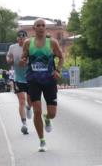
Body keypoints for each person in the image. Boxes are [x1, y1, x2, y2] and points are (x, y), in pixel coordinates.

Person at [20, 19, 64, 151]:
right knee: (37, 110)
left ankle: (47, 118)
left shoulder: (52, 42)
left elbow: (61, 57)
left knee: (52, 113)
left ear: (46, 28)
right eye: (38, 26)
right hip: (33, 80)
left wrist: (57, 70)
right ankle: (42, 140)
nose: (41, 28)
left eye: (43, 25)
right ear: (34, 28)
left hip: (49, 80)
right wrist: (23, 60)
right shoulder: (28, 43)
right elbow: (24, 57)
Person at [6, 30, 31, 133]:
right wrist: (9, 60)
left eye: (23, 37)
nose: (21, 39)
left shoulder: (31, 47)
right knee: (21, 101)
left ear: (26, 38)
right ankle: (24, 124)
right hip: (18, 78)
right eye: (19, 38)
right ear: (17, 39)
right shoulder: (13, 47)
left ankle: (29, 108)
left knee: (30, 100)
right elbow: (8, 57)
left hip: (30, 77)